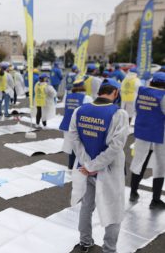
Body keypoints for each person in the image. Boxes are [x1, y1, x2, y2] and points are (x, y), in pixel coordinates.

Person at [69, 78, 129, 253]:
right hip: (109, 170)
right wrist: (94, 165)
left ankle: (84, 242)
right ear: (115, 93)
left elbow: (74, 138)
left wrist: (87, 162)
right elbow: (116, 147)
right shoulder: (119, 114)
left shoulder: (80, 111)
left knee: (86, 206)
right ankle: (109, 249)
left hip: (85, 169)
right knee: (113, 209)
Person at [129, 72, 165, 209]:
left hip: (142, 132)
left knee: (139, 161)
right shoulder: (162, 96)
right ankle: (155, 200)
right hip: (159, 134)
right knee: (161, 165)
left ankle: (133, 192)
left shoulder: (142, 92)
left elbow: (136, 109)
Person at [59, 78, 92, 169]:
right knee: (79, 147)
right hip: (79, 125)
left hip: (67, 124)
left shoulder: (68, 96)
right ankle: (79, 168)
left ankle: (70, 166)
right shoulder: (87, 98)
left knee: (72, 147)